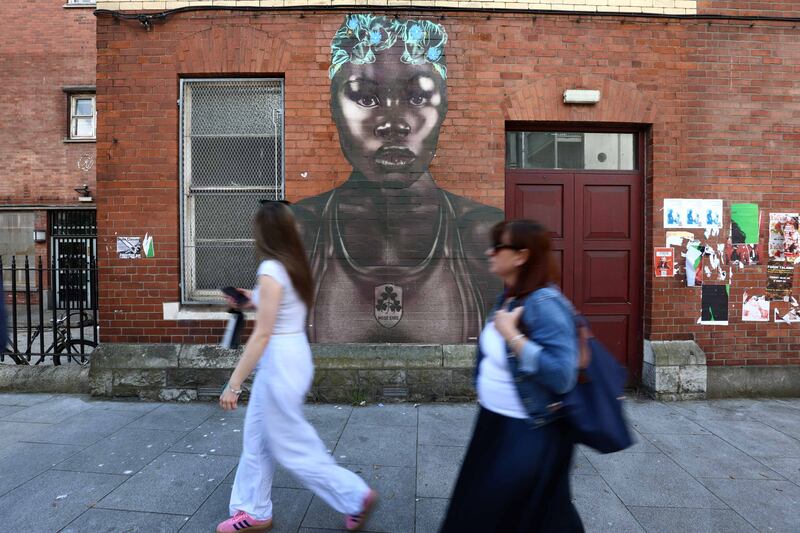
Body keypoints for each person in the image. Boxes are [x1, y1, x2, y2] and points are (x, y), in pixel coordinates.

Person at [293, 14, 503, 344]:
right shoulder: (301, 232)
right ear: (333, 107)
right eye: (365, 97)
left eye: (418, 97)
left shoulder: (480, 235)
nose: (393, 124)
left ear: (444, 107)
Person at [216, 202, 376, 533]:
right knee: (257, 438)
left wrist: (234, 384)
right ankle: (254, 510)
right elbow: (280, 305)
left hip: (279, 361)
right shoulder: (293, 265)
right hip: (290, 355)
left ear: (263, 233)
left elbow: (262, 333)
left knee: (292, 448)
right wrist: (250, 298)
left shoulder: (271, 269)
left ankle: (354, 496)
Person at [440, 219, 584, 533]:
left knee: (495, 513)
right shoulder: (510, 297)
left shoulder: (544, 303)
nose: (490, 252)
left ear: (521, 255)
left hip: (528, 430)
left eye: (498, 246)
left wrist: (512, 337)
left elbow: (562, 375)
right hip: (495, 422)